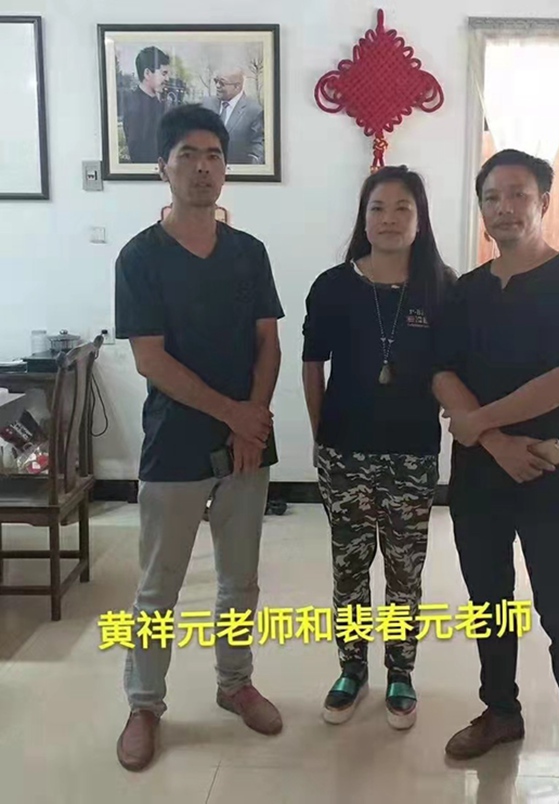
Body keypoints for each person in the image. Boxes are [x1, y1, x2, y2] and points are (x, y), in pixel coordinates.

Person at [432, 149, 559, 803]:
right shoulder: (465, 291)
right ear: (481, 208)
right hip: (479, 478)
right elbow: (440, 370)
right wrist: (494, 441)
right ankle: (501, 711)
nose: (504, 208)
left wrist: (480, 425)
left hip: (545, 473)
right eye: (492, 197)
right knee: (490, 603)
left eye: (518, 194)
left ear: (543, 202)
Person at [114, 104, 284, 772]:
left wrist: (253, 417)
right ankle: (144, 704)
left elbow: (268, 342)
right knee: (159, 586)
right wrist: (234, 414)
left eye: (214, 154)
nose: (203, 167)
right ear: (163, 166)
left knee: (240, 579)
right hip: (175, 445)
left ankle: (234, 683)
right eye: (188, 154)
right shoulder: (141, 257)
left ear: (226, 168)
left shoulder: (249, 253)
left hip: (247, 443)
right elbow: (150, 359)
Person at [302, 166, 455, 730]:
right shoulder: (333, 286)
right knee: (349, 568)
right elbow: (312, 365)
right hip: (344, 453)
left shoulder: (442, 288)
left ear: (420, 220)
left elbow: (452, 369)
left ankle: (400, 672)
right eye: (377, 208)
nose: (389, 219)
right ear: (363, 218)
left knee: (404, 572)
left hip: (412, 454)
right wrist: (322, 437)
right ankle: (350, 669)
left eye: (402, 208)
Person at [202, 69, 264, 164]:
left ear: (237, 86)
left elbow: (258, 145)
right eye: (216, 81)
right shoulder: (206, 104)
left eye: (222, 83)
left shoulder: (254, 111)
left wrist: (249, 168)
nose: (217, 86)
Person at [122, 46, 170, 164]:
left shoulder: (157, 103)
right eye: (164, 73)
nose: (167, 78)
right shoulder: (135, 107)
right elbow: (139, 152)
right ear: (147, 73)